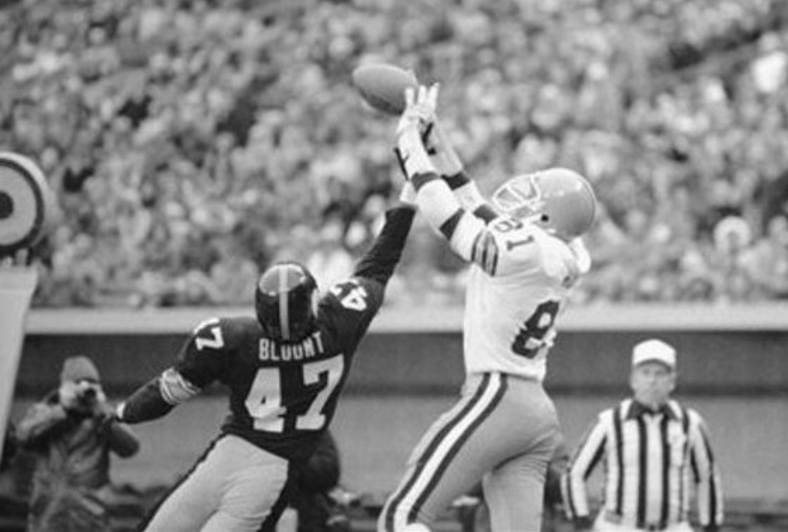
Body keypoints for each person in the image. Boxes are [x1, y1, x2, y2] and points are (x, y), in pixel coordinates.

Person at [114, 183, 417, 532]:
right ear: (312, 304)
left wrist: (122, 412)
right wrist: (407, 202)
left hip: (229, 454)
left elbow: (167, 394)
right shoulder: (338, 326)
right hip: (274, 470)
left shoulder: (234, 339)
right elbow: (378, 266)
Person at [378, 84, 597, 532]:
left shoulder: (526, 250)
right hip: (535, 410)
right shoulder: (557, 251)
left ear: (547, 218)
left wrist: (409, 146)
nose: (524, 197)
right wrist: (434, 134)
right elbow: (472, 197)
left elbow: (450, 217)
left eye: (536, 197)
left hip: (496, 397)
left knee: (401, 517)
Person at [561, 339, 724, 532]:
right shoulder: (610, 422)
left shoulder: (689, 423)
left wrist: (711, 526)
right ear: (633, 379)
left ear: (672, 381)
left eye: (660, 373)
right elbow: (574, 473)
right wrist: (580, 521)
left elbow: (708, 477)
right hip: (619, 527)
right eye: (645, 372)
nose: (652, 380)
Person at [15, 355, 141, 532]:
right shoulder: (46, 411)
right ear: (64, 387)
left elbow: (131, 447)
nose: (85, 391)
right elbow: (22, 437)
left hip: (91, 514)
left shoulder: (102, 416)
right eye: (78, 383)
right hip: (47, 512)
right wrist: (62, 410)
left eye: (91, 384)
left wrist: (102, 411)